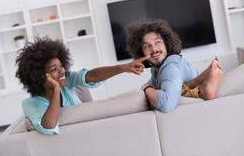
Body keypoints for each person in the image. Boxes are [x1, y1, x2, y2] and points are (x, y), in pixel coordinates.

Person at [15, 36, 148, 135]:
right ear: (39, 76)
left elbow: (91, 76)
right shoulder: (30, 103)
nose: (62, 70)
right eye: (54, 69)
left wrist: (123, 67)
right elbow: (49, 126)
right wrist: (56, 89)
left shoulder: (67, 80)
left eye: (61, 65)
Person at [126, 19, 223, 112]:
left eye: (157, 42)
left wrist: (146, 88)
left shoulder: (171, 65)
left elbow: (166, 104)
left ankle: (203, 86)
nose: (154, 49)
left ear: (166, 43)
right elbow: (153, 86)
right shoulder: (156, 68)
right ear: (141, 52)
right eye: (147, 46)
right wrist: (150, 88)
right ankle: (200, 80)